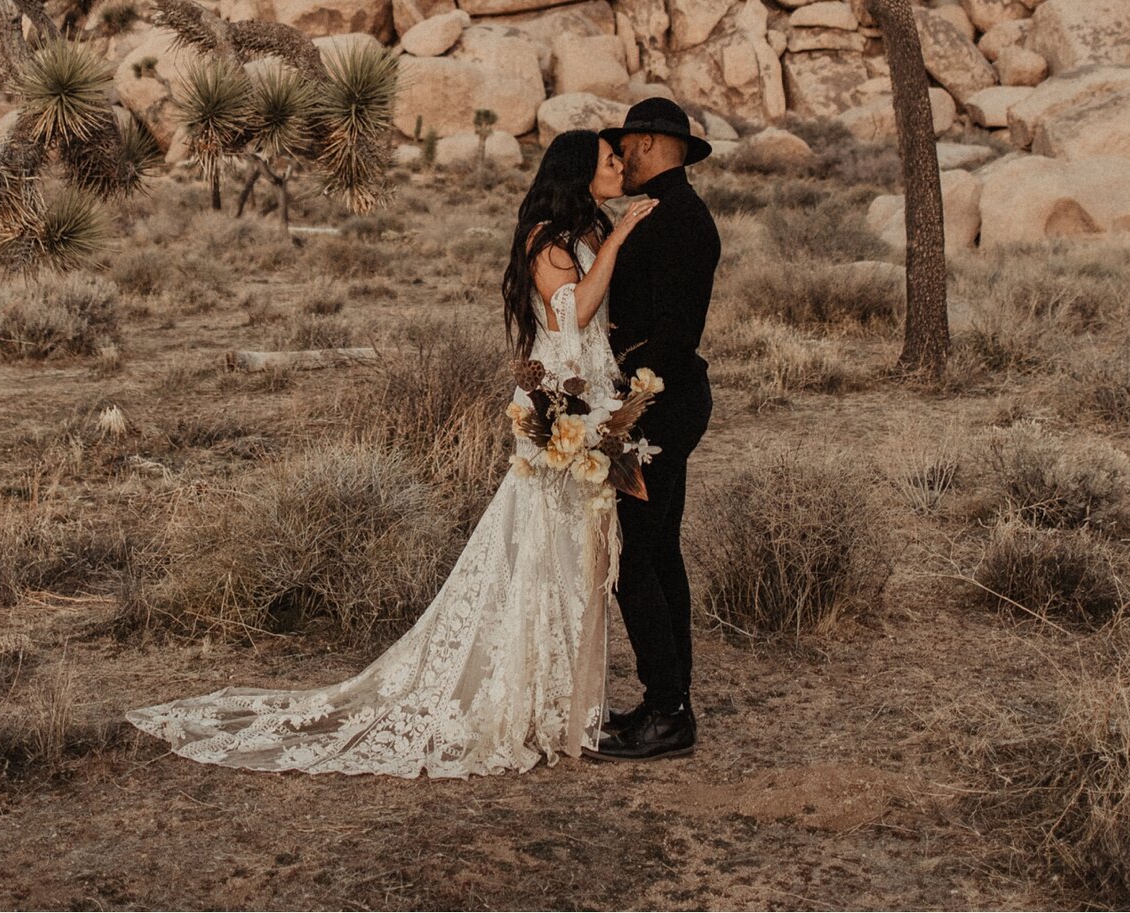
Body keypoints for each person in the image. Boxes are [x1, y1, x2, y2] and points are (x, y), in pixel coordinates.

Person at [124, 129, 658, 777]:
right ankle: (529, 700)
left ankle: (565, 702)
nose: (619, 165)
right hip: (558, 404)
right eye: (608, 158)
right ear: (578, 169)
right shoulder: (544, 236)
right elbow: (572, 316)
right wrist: (624, 237)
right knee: (547, 548)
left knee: (582, 556)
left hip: (588, 396)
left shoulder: (588, 231)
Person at [586, 95, 719, 763]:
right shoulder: (666, 214)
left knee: (635, 556)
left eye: (627, 146)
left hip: (655, 411)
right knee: (658, 551)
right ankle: (669, 702)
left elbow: (669, 336)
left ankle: (668, 710)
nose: (622, 158)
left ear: (652, 144)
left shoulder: (678, 220)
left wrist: (623, 410)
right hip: (663, 403)